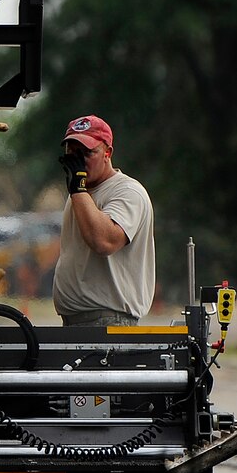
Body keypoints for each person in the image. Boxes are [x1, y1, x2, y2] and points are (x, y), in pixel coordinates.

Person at [52, 116, 156, 326]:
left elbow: (104, 242)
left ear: (107, 153)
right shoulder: (80, 193)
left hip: (108, 321)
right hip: (77, 321)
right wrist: (78, 190)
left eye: (87, 153)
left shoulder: (127, 191)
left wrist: (78, 189)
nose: (78, 162)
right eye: (72, 153)